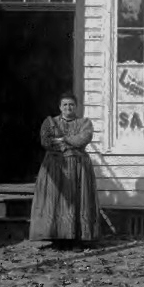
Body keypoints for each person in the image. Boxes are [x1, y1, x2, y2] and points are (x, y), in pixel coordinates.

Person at [28, 92, 101, 248]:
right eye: (65, 104)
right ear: (60, 107)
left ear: (76, 106)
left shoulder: (85, 123)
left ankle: (77, 239)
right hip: (56, 168)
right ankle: (57, 238)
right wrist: (68, 143)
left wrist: (64, 139)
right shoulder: (50, 122)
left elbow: (83, 139)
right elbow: (46, 141)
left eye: (71, 104)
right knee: (56, 201)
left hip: (78, 169)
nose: (68, 107)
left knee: (76, 201)